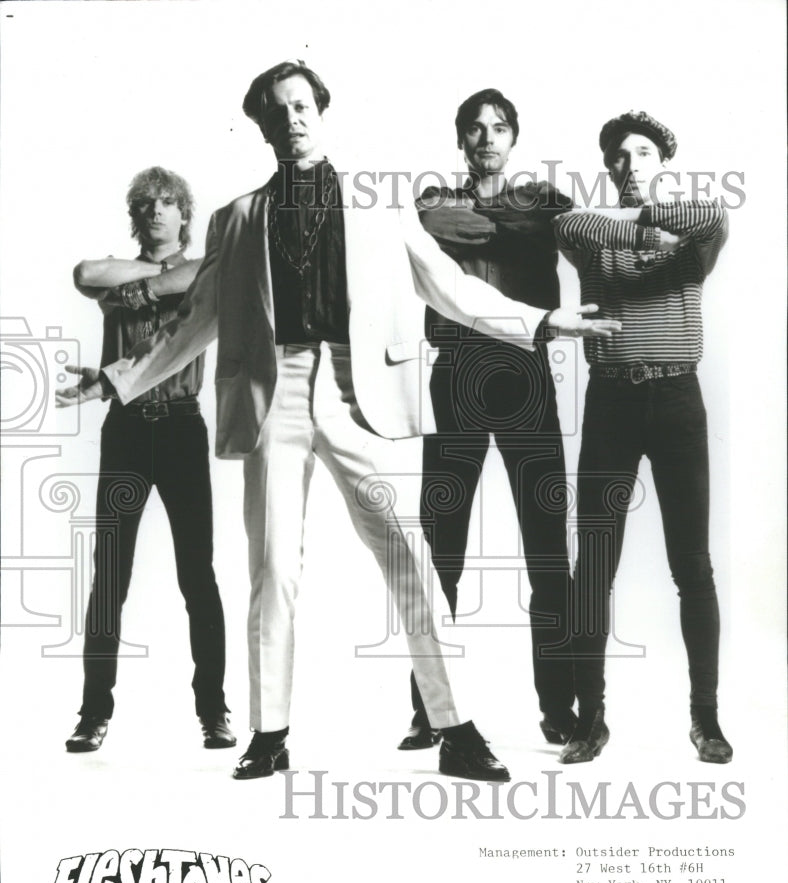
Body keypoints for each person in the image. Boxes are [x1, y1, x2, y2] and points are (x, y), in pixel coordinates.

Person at [57, 62, 617, 781]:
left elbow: (449, 287)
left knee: (411, 558)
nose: (291, 117)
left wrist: (542, 321)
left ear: (320, 111)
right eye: (276, 109)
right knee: (272, 570)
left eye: (301, 104)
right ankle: (269, 733)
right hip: (274, 395)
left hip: (359, 395)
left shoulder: (378, 206)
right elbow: (197, 324)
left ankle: (456, 728)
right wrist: (116, 378)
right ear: (261, 125)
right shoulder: (236, 219)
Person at [398, 89, 588, 753]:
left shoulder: (547, 205)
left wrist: (499, 219)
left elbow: (569, 227)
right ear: (460, 139)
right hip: (456, 374)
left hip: (525, 374)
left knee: (546, 546)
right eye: (474, 129)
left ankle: (558, 709)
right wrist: (509, 222)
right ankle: (430, 709)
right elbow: (439, 227)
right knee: (439, 544)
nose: (486, 137)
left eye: (498, 128)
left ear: (513, 137)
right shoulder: (432, 200)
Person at [553, 110, 731, 764]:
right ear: (610, 169)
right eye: (619, 158)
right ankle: (588, 720)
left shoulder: (695, 237)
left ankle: (706, 719)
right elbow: (565, 223)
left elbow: (712, 216)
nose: (630, 166)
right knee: (593, 566)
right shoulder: (594, 237)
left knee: (693, 567)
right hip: (613, 402)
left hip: (679, 399)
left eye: (643, 154)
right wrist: (640, 220)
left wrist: (650, 217)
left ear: (662, 162)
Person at [64, 166, 235, 754]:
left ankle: (214, 711)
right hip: (128, 430)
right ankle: (93, 713)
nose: (157, 211)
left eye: (168, 203)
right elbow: (87, 272)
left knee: (198, 574)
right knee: (110, 574)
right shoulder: (147, 273)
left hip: (183, 427)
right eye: (146, 205)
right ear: (136, 216)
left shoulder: (205, 269)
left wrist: (148, 282)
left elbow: (207, 271)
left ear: (185, 213)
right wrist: (161, 278)